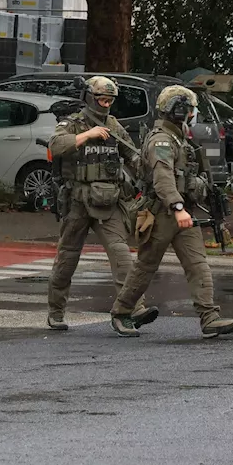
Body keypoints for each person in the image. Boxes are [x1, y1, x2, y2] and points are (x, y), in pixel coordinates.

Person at [110, 86, 233, 339]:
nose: (193, 114)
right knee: (146, 266)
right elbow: (162, 178)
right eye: (190, 109)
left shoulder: (180, 137)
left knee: (197, 263)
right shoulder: (162, 140)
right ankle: (121, 312)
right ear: (178, 110)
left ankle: (209, 317)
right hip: (162, 213)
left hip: (183, 213)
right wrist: (178, 207)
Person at [45, 76, 159, 331]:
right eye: (102, 99)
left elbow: (131, 156)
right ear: (89, 97)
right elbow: (56, 145)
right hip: (77, 202)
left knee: (122, 255)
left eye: (110, 100)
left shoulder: (115, 126)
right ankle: (56, 311)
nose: (106, 104)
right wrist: (87, 134)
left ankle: (132, 310)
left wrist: (153, 167)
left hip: (108, 202)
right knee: (67, 259)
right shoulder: (73, 123)